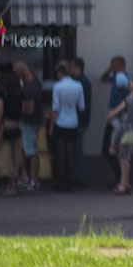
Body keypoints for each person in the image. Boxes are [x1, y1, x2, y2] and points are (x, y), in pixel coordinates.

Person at [48, 60, 84, 191]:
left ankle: (61, 182)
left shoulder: (57, 86)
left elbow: (55, 107)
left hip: (60, 122)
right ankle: (70, 182)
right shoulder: (78, 85)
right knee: (71, 154)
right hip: (73, 122)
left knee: (60, 154)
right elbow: (81, 106)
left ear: (60, 72)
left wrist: (51, 125)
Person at [105, 76, 133, 195]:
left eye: (130, 82)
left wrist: (110, 117)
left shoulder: (129, 99)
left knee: (123, 159)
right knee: (126, 157)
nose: (128, 84)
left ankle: (123, 184)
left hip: (124, 131)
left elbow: (115, 111)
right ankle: (125, 183)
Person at [0, 63, 24, 197]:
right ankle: (14, 183)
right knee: (16, 155)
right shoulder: (20, 94)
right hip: (18, 126)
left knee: (6, 156)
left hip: (6, 125)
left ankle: (10, 186)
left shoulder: (3, 95)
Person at [99, 56, 129, 186]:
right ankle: (121, 179)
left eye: (112, 64)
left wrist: (114, 114)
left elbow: (127, 97)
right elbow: (103, 78)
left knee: (110, 150)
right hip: (115, 117)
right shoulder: (118, 77)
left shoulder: (121, 78)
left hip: (116, 118)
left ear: (118, 65)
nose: (110, 67)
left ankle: (122, 180)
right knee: (112, 150)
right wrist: (110, 69)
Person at [14, 61, 43, 191]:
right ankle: (27, 177)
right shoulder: (36, 83)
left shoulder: (28, 89)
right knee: (27, 151)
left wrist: (18, 107)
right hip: (34, 122)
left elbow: (29, 109)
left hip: (29, 123)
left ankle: (33, 180)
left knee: (31, 152)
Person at [70, 58, 93, 188]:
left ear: (78, 67)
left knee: (77, 149)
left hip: (79, 120)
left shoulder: (81, 83)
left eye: (72, 67)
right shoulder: (84, 82)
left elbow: (81, 104)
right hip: (82, 119)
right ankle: (80, 176)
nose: (70, 70)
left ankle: (81, 177)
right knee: (77, 149)